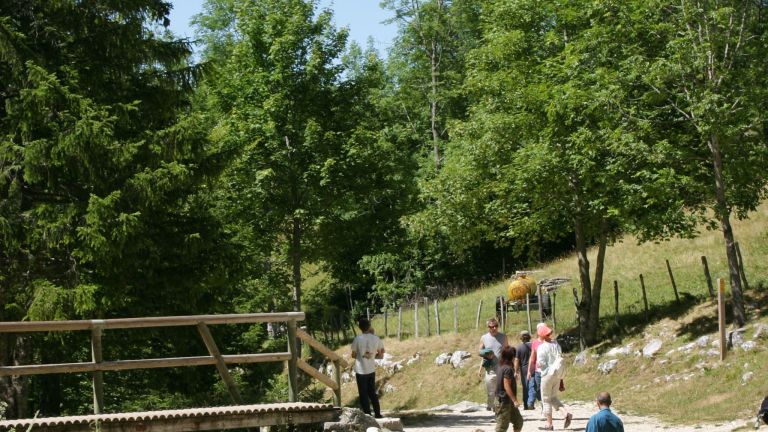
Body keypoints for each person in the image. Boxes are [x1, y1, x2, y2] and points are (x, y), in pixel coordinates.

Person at [536, 324, 572, 430]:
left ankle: (549, 424)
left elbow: (541, 363)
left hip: (546, 374)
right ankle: (565, 413)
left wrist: (538, 365)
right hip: (556, 374)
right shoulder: (556, 344)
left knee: (546, 399)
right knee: (553, 397)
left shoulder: (542, 347)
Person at [350, 318, 385, 418]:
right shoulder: (376, 338)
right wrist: (372, 356)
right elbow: (381, 354)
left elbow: (353, 355)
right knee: (372, 393)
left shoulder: (357, 339)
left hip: (361, 370)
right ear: (369, 326)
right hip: (371, 369)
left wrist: (362, 355)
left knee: (363, 394)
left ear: (359, 328)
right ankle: (378, 413)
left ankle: (367, 415)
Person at [478, 317, 509, 411]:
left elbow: (507, 350)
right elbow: (479, 352)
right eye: (492, 327)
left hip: (501, 367)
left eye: (496, 326)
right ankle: (491, 405)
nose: (494, 328)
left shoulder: (503, 337)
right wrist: (486, 355)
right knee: (491, 390)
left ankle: (498, 407)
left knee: (501, 389)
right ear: (488, 327)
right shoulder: (484, 338)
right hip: (490, 368)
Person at [495, 346, 523, 432]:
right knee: (502, 427)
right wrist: (514, 400)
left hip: (508, 401)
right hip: (504, 401)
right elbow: (506, 386)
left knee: (518, 421)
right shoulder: (506, 369)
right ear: (512, 356)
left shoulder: (502, 367)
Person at [527, 322, 547, 419]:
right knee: (537, 389)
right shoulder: (535, 342)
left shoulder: (551, 341)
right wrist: (529, 371)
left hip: (547, 370)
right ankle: (544, 404)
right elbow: (532, 357)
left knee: (545, 390)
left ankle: (545, 410)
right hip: (537, 370)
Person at [514, 331, 534, 410]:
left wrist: (516, 371)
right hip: (533, 368)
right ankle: (530, 403)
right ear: (529, 337)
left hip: (523, 370)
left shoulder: (519, 347)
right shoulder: (534, 346)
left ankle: (526, 404)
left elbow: (516, 360)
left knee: (525, 387)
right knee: (532, 386)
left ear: (521, 338)